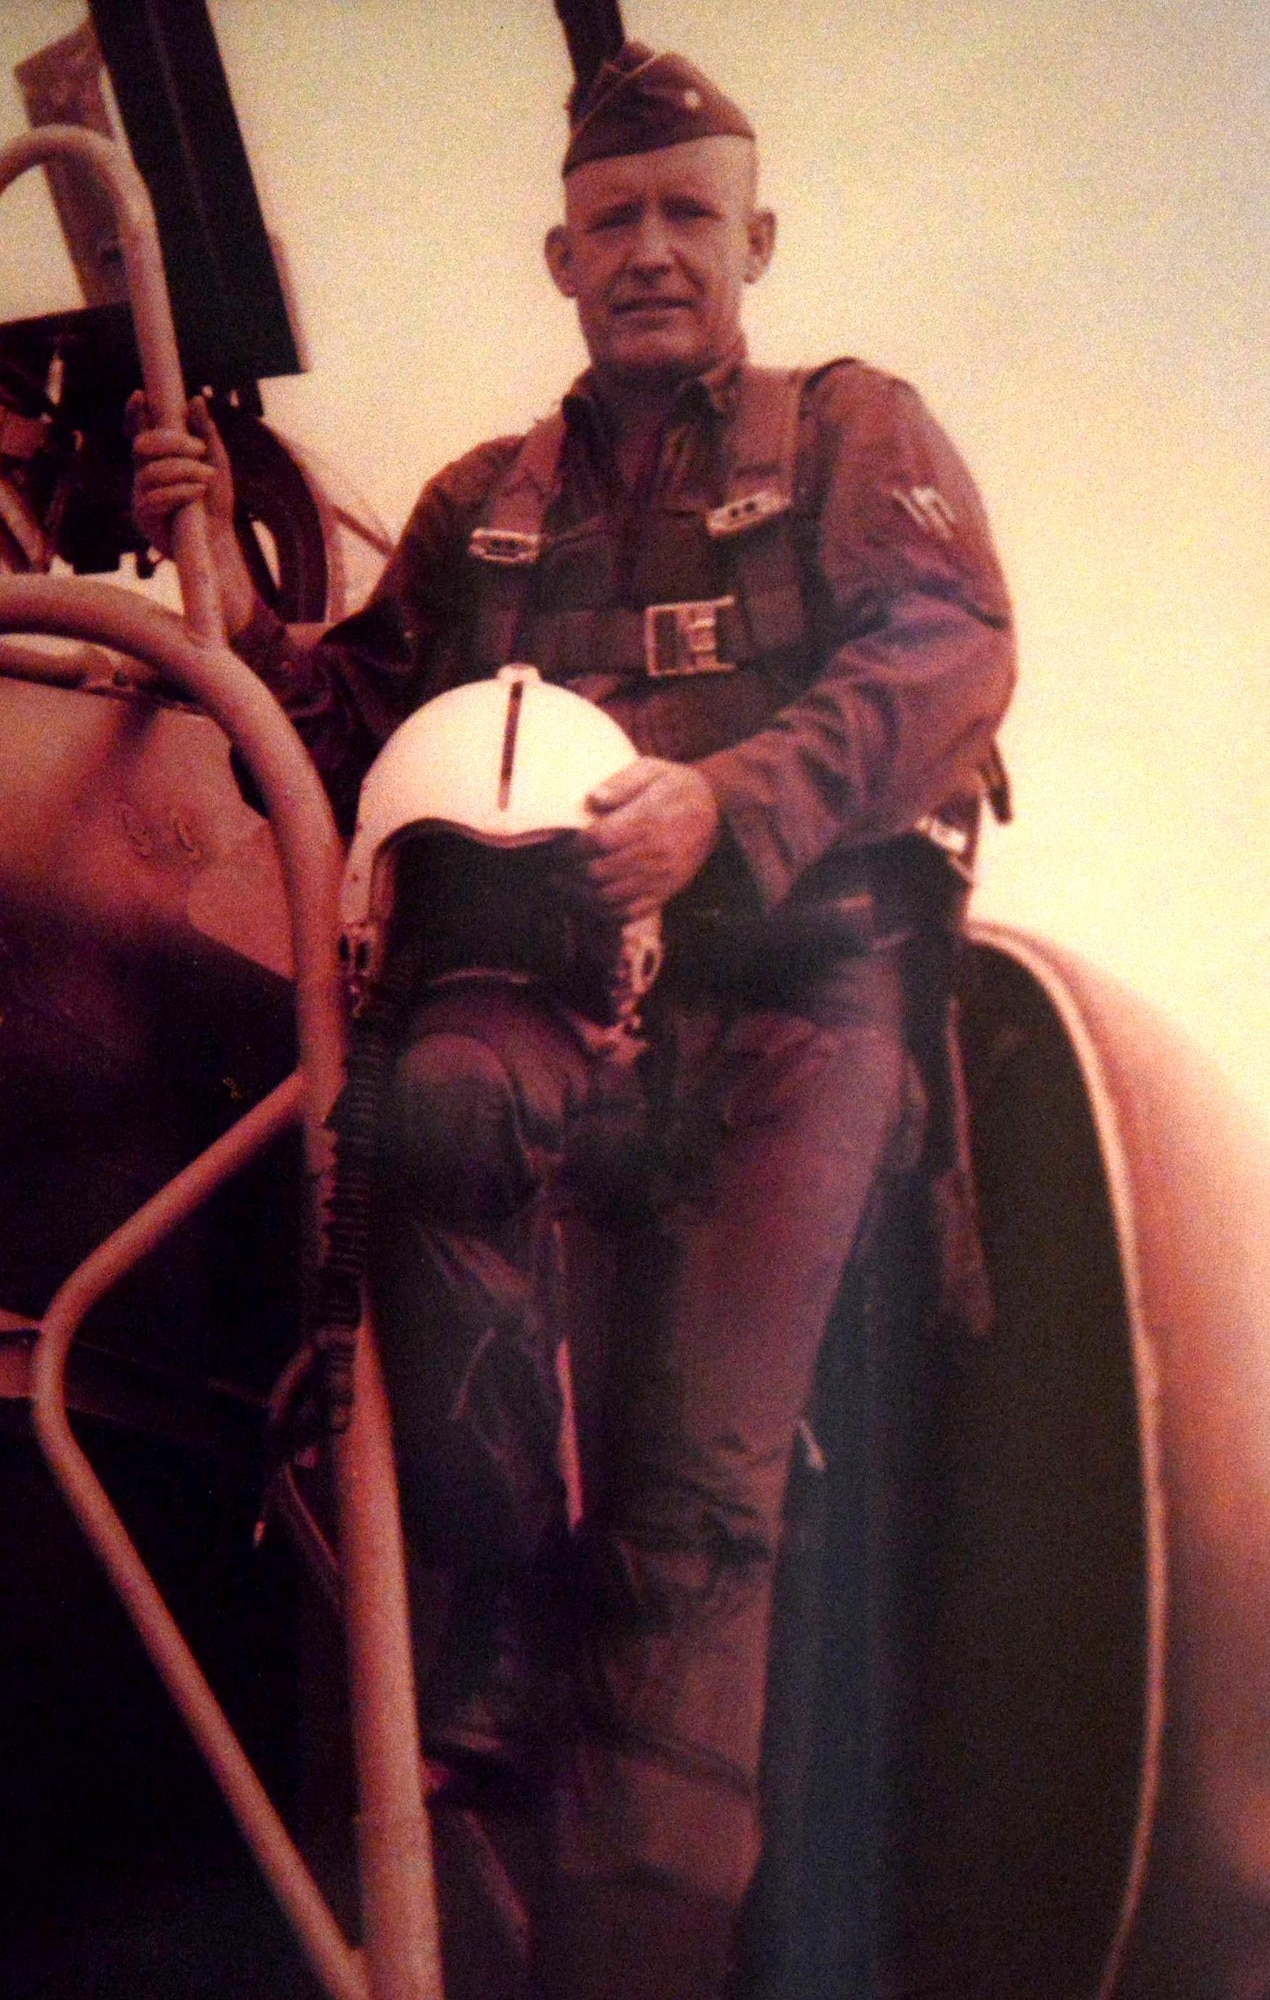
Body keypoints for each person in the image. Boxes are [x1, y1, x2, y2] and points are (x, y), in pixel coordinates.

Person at [132, 41, 1015, 2000]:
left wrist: (737, 806)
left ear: (750, 235)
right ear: (558, 252)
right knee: (418, 1129)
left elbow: (948, 656)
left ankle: (632, 1964)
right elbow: (340, 715)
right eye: (612, 218)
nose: (648, 249)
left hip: (797, 1004)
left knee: (696, 1505)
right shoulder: (482, 509)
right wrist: (221, 613)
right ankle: (501, 1617)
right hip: (555, 996)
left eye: (686, 213)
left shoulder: (853, 438)